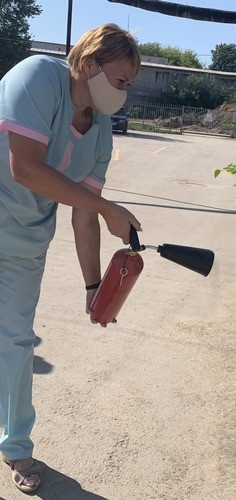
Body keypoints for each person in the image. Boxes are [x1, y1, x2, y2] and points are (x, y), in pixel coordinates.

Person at [0, 23, 142, 493]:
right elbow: (25, 168)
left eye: (128, 85)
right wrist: (108, 208)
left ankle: (15, 445)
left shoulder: (100, 132)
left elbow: (84, 215)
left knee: (16, 344)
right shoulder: (38, 78)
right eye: (119, 81)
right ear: (89, 64)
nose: (123, 93)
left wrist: (93, 286)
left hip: (23, 243)